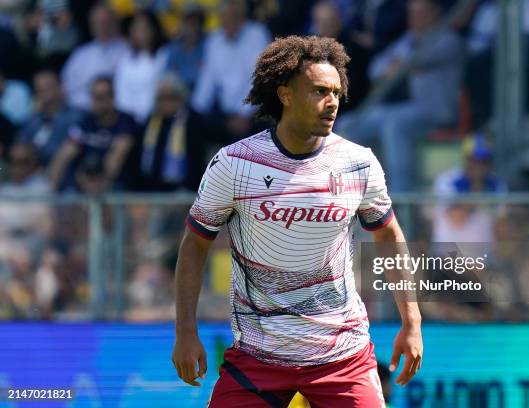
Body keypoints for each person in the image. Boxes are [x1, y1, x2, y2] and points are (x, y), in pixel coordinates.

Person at [172, 35, 423, 407]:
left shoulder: (358, 163)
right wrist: (185, 331)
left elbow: (389, 236)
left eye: (337, 92)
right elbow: (194, 246)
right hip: (259, 355)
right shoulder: (234, 164)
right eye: (320, 91)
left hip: (342, 355)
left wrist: (412, 321)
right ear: (285, 94)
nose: (332, 102)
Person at [338, 0, 464, 192]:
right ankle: (351, 194)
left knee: (395, 125)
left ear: (436, 13)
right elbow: (375, 69)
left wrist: (398, 65)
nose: (416, 18)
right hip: (400, 110)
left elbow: (415, 60)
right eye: (413, 13)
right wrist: (397, 66)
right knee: (347, 125)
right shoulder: (407, 39)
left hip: (433, 112)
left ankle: (400, 198)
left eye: (422, 13)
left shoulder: (448, 39)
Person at [191, 0, 270, 145]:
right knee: (192, 122)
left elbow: (260, 79)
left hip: (253, 112)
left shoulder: (257, 34)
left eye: (233, 17)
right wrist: (196, 111)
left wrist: (244, 114)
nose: (228, 22)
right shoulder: (214, 40)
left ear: (242, 17)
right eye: (224, 18)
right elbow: (206, 82)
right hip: (224, 114)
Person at [47, 76, 136, 192]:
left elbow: (116, 159)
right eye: (93, 97)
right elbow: (63, 155)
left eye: (100, 97)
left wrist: (98, 187)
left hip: (115, 186)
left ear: (112, 98)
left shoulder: (125, 122)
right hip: (84, 183)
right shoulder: (86, 122)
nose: (96, 102)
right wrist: (50, 193)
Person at [136, 73, 206, 192]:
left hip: (186, 190)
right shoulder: (151, 121)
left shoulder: (194, 121)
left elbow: (198, 161)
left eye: (171, 97)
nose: (166, 102)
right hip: (151, 188)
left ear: (182, 98)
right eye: (161, 98)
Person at [61, 3, 128, 110]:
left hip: (115, 111)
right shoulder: (79, 55)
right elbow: (68, 88)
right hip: (82, 110)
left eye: (106, 22)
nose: (102, 27)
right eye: (97, 23)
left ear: (115, 23)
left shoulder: (127, 51)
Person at [17, 70, 82, 166]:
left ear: (60, 87)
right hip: (34, 174)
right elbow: (20, 149)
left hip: (69, 172)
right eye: (39, 88)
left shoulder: (78, 117)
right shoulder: (31, 122)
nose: (43, 90)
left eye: (47, 86)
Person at [114, 10, 168, 123]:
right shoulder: (125, 58)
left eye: (146, 28)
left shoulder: (164, 56)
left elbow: (157, 92)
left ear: (154, 30)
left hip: (153, 117)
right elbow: (121, 92)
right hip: (127, 118)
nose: (142, 32)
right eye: (137, 28)